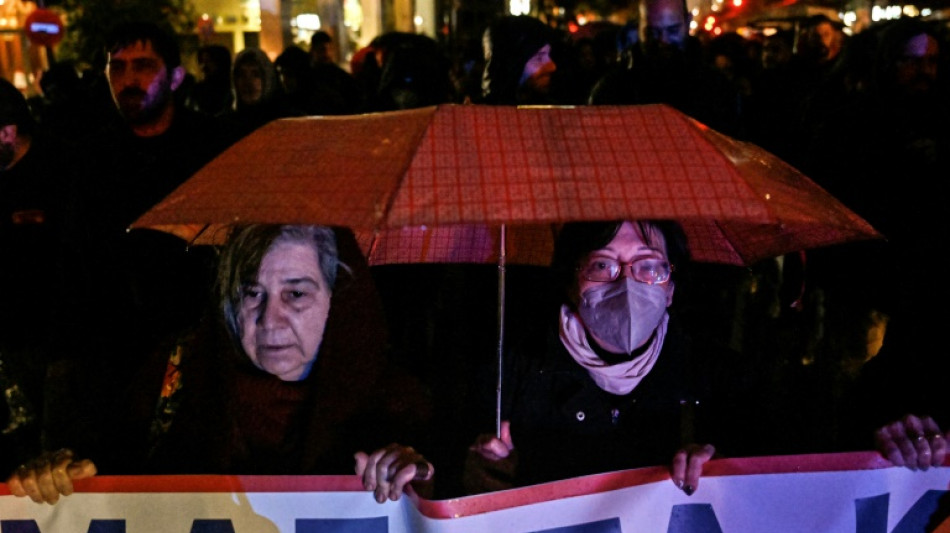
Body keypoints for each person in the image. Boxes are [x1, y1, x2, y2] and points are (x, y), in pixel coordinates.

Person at [7, 224, 434, 505]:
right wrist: (58, 478)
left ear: (335, 298)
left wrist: (412, 478)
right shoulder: (178, 370)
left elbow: (433, 499)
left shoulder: (389, 398)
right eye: (251, 293)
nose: (270, 320)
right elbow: (106, 466)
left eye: (296, 294)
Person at [464, 220, 755, 496]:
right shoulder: (512, 376)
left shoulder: (717, 378)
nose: (628, 282)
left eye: (649, 265)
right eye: (602, 265)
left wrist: (727, 472)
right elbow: (451, 478)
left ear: (670, 290)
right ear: (572, 284)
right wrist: (490, 474)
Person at [588, 0, 744, 137]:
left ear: (688, 22)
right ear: (639, 27)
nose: (663, 40)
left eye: (672, 30)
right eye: (652, 32)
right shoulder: (612, 88)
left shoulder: (718, 88)